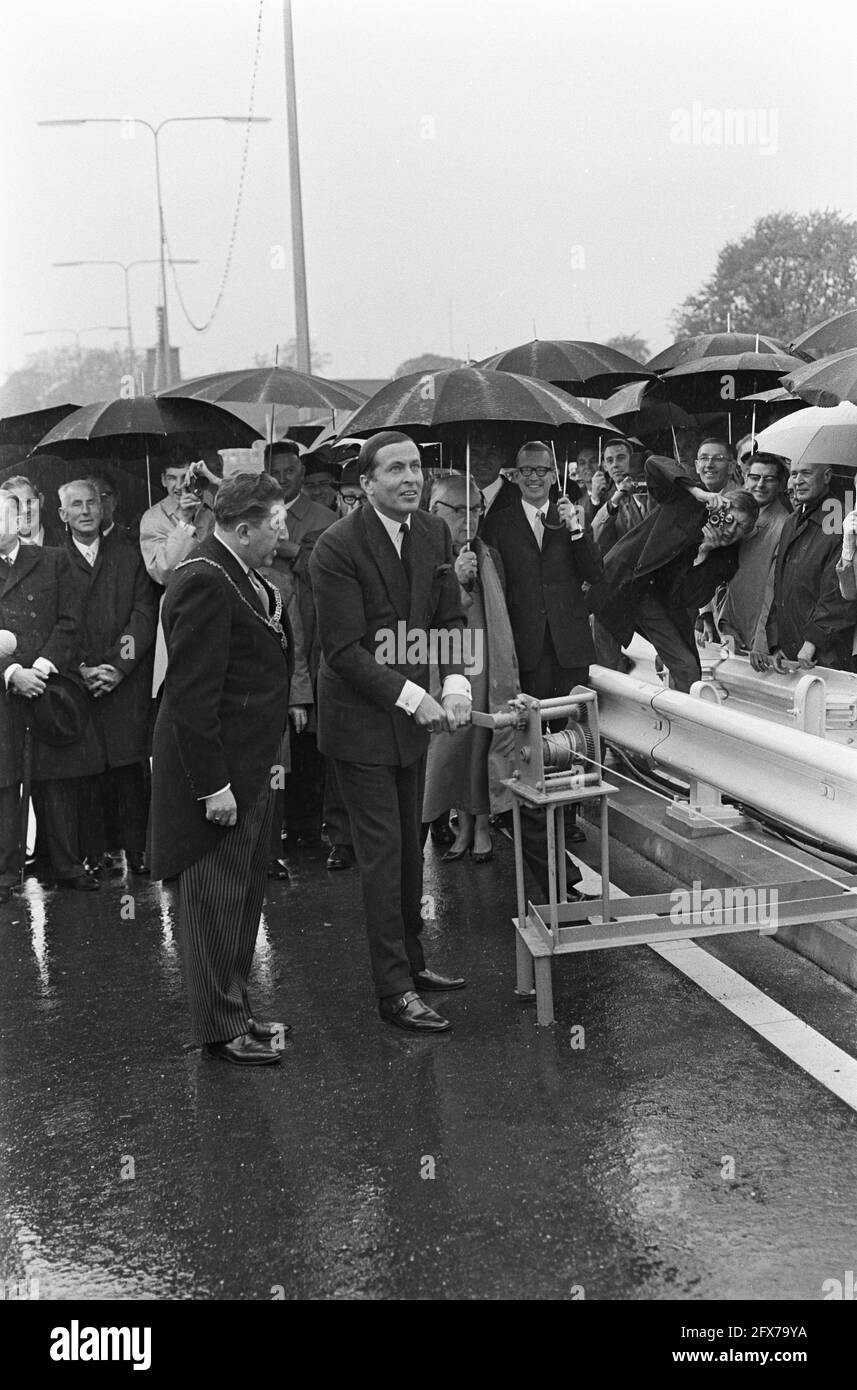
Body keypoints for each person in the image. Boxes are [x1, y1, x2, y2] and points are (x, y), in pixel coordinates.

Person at [310, 430, 471, 1034]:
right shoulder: (337, 546)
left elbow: (448, 617)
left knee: (409, 849)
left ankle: (413, 963)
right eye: (396, 469)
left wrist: (456, 684)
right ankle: (393, 991)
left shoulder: (433, 531)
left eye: (417, 468)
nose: (411, 478)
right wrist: (414, 697)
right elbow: (344, 650)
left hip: (412, 719)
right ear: (366, 482)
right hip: (360, 725)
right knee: (383, 857)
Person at [149, 472, 297, 1067]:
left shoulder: (242, 573)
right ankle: (218, 1026)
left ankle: (236, 1009)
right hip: (214, 778)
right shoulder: (204, 581)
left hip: (250, 768)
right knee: (211, 901)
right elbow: (189, 696)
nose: (283, 536)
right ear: (242, 528)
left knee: (242, 898)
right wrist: (213, 787)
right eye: (276, 525)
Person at [588, 456, 759, 693]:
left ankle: (679, 723)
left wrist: (703, 553)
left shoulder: (726, 557)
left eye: (739, 528)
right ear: (721, 506)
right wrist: (698, 493)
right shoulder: (687, 502)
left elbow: (690, 599)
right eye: (729, 519)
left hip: (656, 602)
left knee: (688, 669)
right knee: (605, 668)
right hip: (619, 584)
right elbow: (654, 464)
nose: (729, 529)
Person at [0, 487, 93, 902]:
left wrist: (40, 667)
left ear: (19, 521)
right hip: (5, 686)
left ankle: (66, 864)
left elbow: (71, 621)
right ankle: (5, 873)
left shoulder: (52, 561)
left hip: (45, 684)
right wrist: (11, 671)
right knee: (3, 780)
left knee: (55, 778)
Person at [61, 480, 158, 875]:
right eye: (76, 505)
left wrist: (119, 665)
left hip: (123, 681)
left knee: (130, 768)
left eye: (92, 503)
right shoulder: (53, 560)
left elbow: (144, 613)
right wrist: (81, 668)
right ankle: (95, 852)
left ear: (103, 509)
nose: (85, 511)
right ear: (62, 514)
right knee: (86, 771)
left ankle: (137, 850)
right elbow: (57, 622)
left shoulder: (129, 555)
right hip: (78, 682)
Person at [423, 472, 519, 862]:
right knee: (453, 745)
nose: (469, 519)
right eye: (458, 510)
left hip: (487, 662)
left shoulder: (488, 554)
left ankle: (480, 825)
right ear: (433, 510)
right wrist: (458, 584)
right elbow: (424, 614)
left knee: (482, 742)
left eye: (476, 509)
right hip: (443, 663)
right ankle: (461, 824)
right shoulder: (425, 553)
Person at [260, 441, 338, 850]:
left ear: (301, 474)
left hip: (312, 630)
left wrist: (285, 548)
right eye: (275, 471)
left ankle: (308, 826)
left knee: (308, 739)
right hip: (270, 628)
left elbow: (321, 566)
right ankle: (277, 828)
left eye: (290, 471)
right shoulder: (256, 515)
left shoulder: (323, 517)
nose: (282, 478)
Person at [752, 459, 857, 672]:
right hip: (792, 648)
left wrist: (813, 641)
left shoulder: (838, 517)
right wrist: (776, 641)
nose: (797, 481)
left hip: (824, 651)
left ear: (827, 476)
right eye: (793, 474)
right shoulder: (791, 521)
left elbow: (837, 592)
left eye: (806, 473)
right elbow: (779, 585)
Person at [709, 453, 791, 650]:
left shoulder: (784, 525)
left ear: (781, 484)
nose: (760, 484)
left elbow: (772, 590)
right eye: (755, 477)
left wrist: (762, 641)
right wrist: (719, 621)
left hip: (757, 634)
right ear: (745, 479)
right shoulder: (734, 514)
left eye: (769, 479)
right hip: (726, 624)